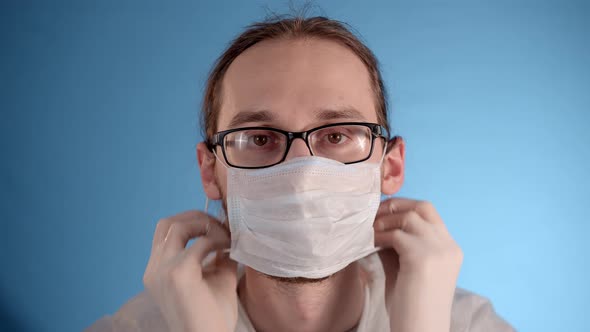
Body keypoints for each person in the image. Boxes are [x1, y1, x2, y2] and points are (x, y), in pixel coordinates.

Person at [86, 15, 514, 332]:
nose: (302, 174)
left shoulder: (463, 323)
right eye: (258, 138)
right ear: (210, 171)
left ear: (391, 166)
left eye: (337, 136)